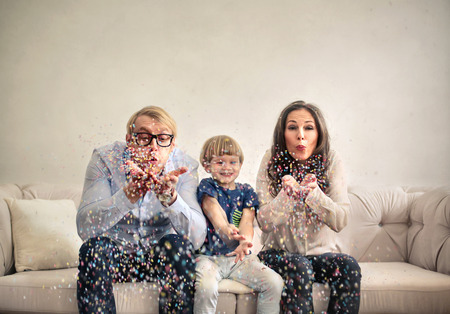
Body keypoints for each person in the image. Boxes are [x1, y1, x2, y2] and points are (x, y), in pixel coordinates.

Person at [76, 106, 207, 314]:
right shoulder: (105, 159)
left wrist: (171, 200)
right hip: (114, 257)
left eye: (162, 138)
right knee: (93, 249)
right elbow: (85, 227)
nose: (153, 146)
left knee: (178, 246)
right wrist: (127, 196)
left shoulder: (184, 167)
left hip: (159, 259)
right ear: (130, 140)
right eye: (144, 137)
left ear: (172, 145)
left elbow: (197, 238)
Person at [256, 101, 361, 313]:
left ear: (319, 133)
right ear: (283, 133)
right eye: (292, 127)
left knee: (349, 266)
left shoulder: (331, 160)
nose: (301, 136)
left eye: (309, 128)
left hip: (320, 255)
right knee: (298, 265)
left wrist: (312, 195)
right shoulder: (271, 159)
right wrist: (289, 194)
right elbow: (265, 222)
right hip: (276, 255)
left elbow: (340, 220)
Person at [194, 135, 283, 314]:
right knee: (206, 286)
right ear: (207, 166)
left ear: (240, 165)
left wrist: (245, 241)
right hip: (210, 258)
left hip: (240, 259)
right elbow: (212, 209)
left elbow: (247, 221)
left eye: (233, 162)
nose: (227, 167)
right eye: (220, 162)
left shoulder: (246, 192)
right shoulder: (207, 186)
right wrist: (226, 228)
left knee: (274, 282)